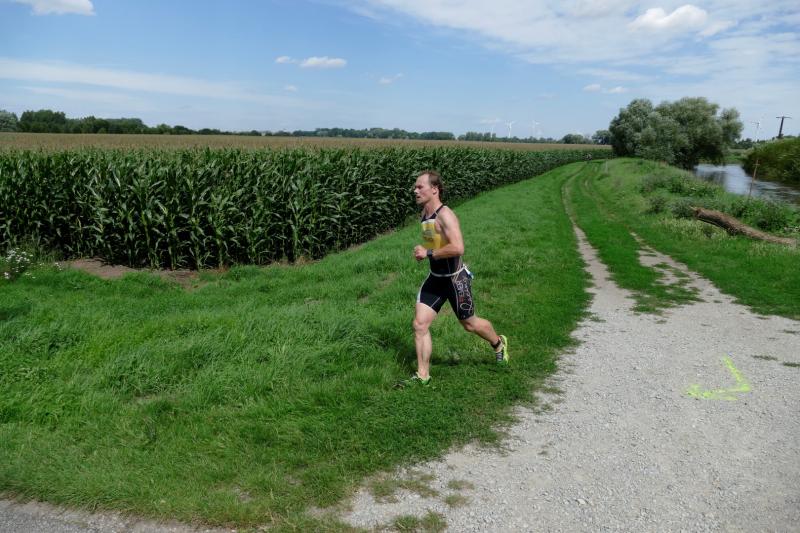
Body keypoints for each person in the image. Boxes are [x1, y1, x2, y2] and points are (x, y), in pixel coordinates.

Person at [401, 170, 508, 387]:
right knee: (420, 324)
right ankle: (423, 376)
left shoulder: (445, 215)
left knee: (470, 324)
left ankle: (498, 343)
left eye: (420, 187)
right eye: (415, 187)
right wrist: (425, 251)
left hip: (455, 279)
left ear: (434, 189)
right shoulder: (425, 213)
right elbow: (436, 242)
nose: (415, 191)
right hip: (435, 278)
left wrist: (428, 253)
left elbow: (458, 247)